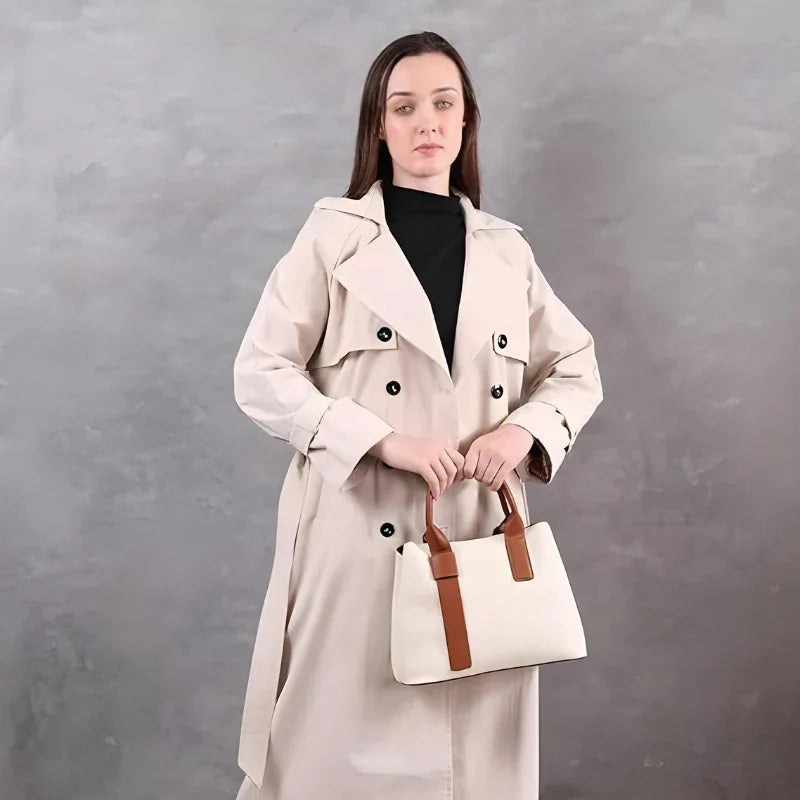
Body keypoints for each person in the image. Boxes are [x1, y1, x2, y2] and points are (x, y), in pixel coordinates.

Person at [232, 30, 603, 800]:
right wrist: (379, 440)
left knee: (474, 768)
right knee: (332, 758)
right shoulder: (333, 238)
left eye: (444, 104)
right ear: (379, 125)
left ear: (467, 123)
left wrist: (521, 430)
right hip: (357, 547)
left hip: (478, 547)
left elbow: (574, 369)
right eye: (405, 107)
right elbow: (260, 372)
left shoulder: (507, 252)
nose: (426, 122)